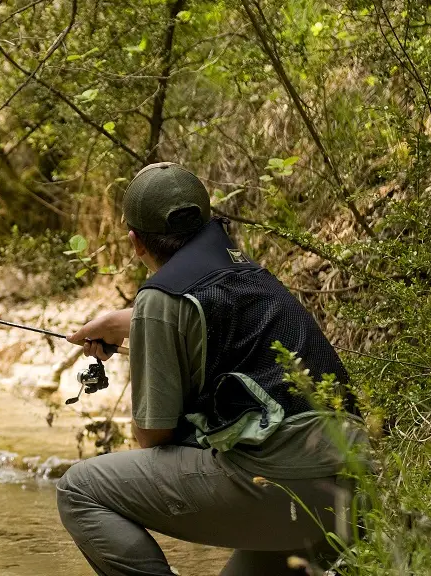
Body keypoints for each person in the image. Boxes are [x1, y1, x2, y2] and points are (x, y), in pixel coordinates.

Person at [59, 163, 366, 576]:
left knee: (79, 488)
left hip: (283, 483)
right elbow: (218, 319)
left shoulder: (160, 298)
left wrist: (148, 334)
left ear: (135, 242)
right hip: (354, 489)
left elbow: (153, 437)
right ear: (206, 219)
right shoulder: (248, 271)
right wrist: (135, 322)